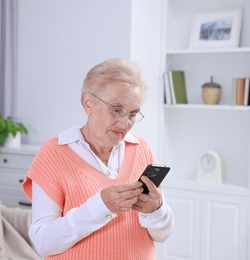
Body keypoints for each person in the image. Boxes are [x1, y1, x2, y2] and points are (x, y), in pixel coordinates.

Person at [22, 58, 173, 260]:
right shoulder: (53, 154)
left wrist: (156, 210)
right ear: (88, 103)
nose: (124, 122)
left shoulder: (141, 149)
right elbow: (43, 243)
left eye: (133, 114)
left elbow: (162, 235)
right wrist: (101, 207)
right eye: (116, 109)